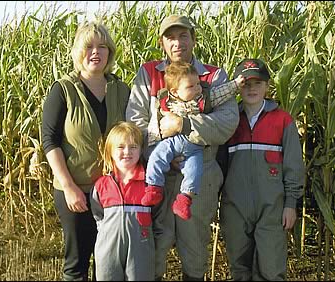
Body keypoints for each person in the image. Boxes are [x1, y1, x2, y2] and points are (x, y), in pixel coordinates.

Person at [126, 14, 240, 281]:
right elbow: (135, 121)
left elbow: (227, 122)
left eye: (183, 36)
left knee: (195, 249)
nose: (177, 42)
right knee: (155, 245)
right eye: (170, 37)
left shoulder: (213, 76)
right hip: (159, 175)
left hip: (202, 173)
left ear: (193, 39)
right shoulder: (149, 74)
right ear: (162, 43)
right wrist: (161, 150)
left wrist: (184, 125)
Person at [41, 21, 130, 281]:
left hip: (113, 191)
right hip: (76, 190)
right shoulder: (63, 90)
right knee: (77, 264)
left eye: (102, 47)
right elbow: (50, 141)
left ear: (110, 53)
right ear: (79, 52)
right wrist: (69, 186)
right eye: (89, 46)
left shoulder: (121, 89)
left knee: (108, 262)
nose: (96, 52)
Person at [218, 58, 304, 280]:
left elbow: (294, 165)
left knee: (271, 269)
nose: (251, 88)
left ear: (267, 86)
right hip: (235, 208)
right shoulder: (229, 120)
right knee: (239, 268)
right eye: (245, 83)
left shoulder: (283, 120)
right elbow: (218, 167)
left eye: (257, 83)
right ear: (237, 87)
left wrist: (291, 205)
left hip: (272, 210)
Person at [142, 61, 244, 221]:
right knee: (157, 157)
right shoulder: (165, 102)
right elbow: (154, 125)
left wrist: (236, 84)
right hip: (171, 143)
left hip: (194, 147)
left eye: (198, 83)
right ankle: (153, 187)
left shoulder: (202, 99)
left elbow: (221, 94)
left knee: (194, 171)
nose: (197, 88)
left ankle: (184, 199)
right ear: (175, 92)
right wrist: (155, 142)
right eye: (191, 86)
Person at [90, 121, 155, 281]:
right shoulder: (101, 186)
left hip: (141, 249)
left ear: (141, 151)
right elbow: (98, 215)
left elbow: (159, 217)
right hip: (108, 250)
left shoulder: (149, 184)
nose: (127, 152)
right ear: (110, 151)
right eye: (120, 147)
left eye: (133, 147)